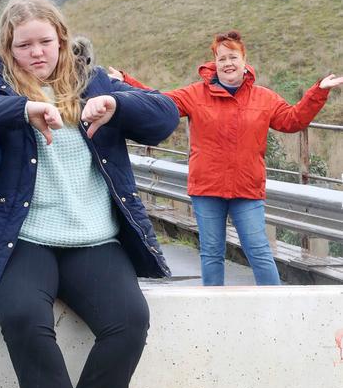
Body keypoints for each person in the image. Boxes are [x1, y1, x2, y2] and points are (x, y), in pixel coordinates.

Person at [0, 0, 179, 388]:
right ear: (9, 48)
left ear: (62, 39)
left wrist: (118, 104)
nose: (36, 53)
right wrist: (22, 109)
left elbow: (165, 115)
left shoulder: (95, 82)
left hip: (94, 239)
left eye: (44, 41)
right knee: (24, 319)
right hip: (19, 239)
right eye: (24, 45)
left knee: (129, 324)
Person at [108, 32, 343, 286]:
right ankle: (213, 316)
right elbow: (159, 104)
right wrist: (126, 82)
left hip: (247, 190)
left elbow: (292, 120)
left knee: (259, 253)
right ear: (214, 62)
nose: (228, 63)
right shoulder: (195, 94)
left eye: (233, 57)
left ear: (244, 60)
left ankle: (277, 311)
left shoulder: (264, 97)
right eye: (222, 58)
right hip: (207, 189)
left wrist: (317, 93)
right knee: (211, 254)